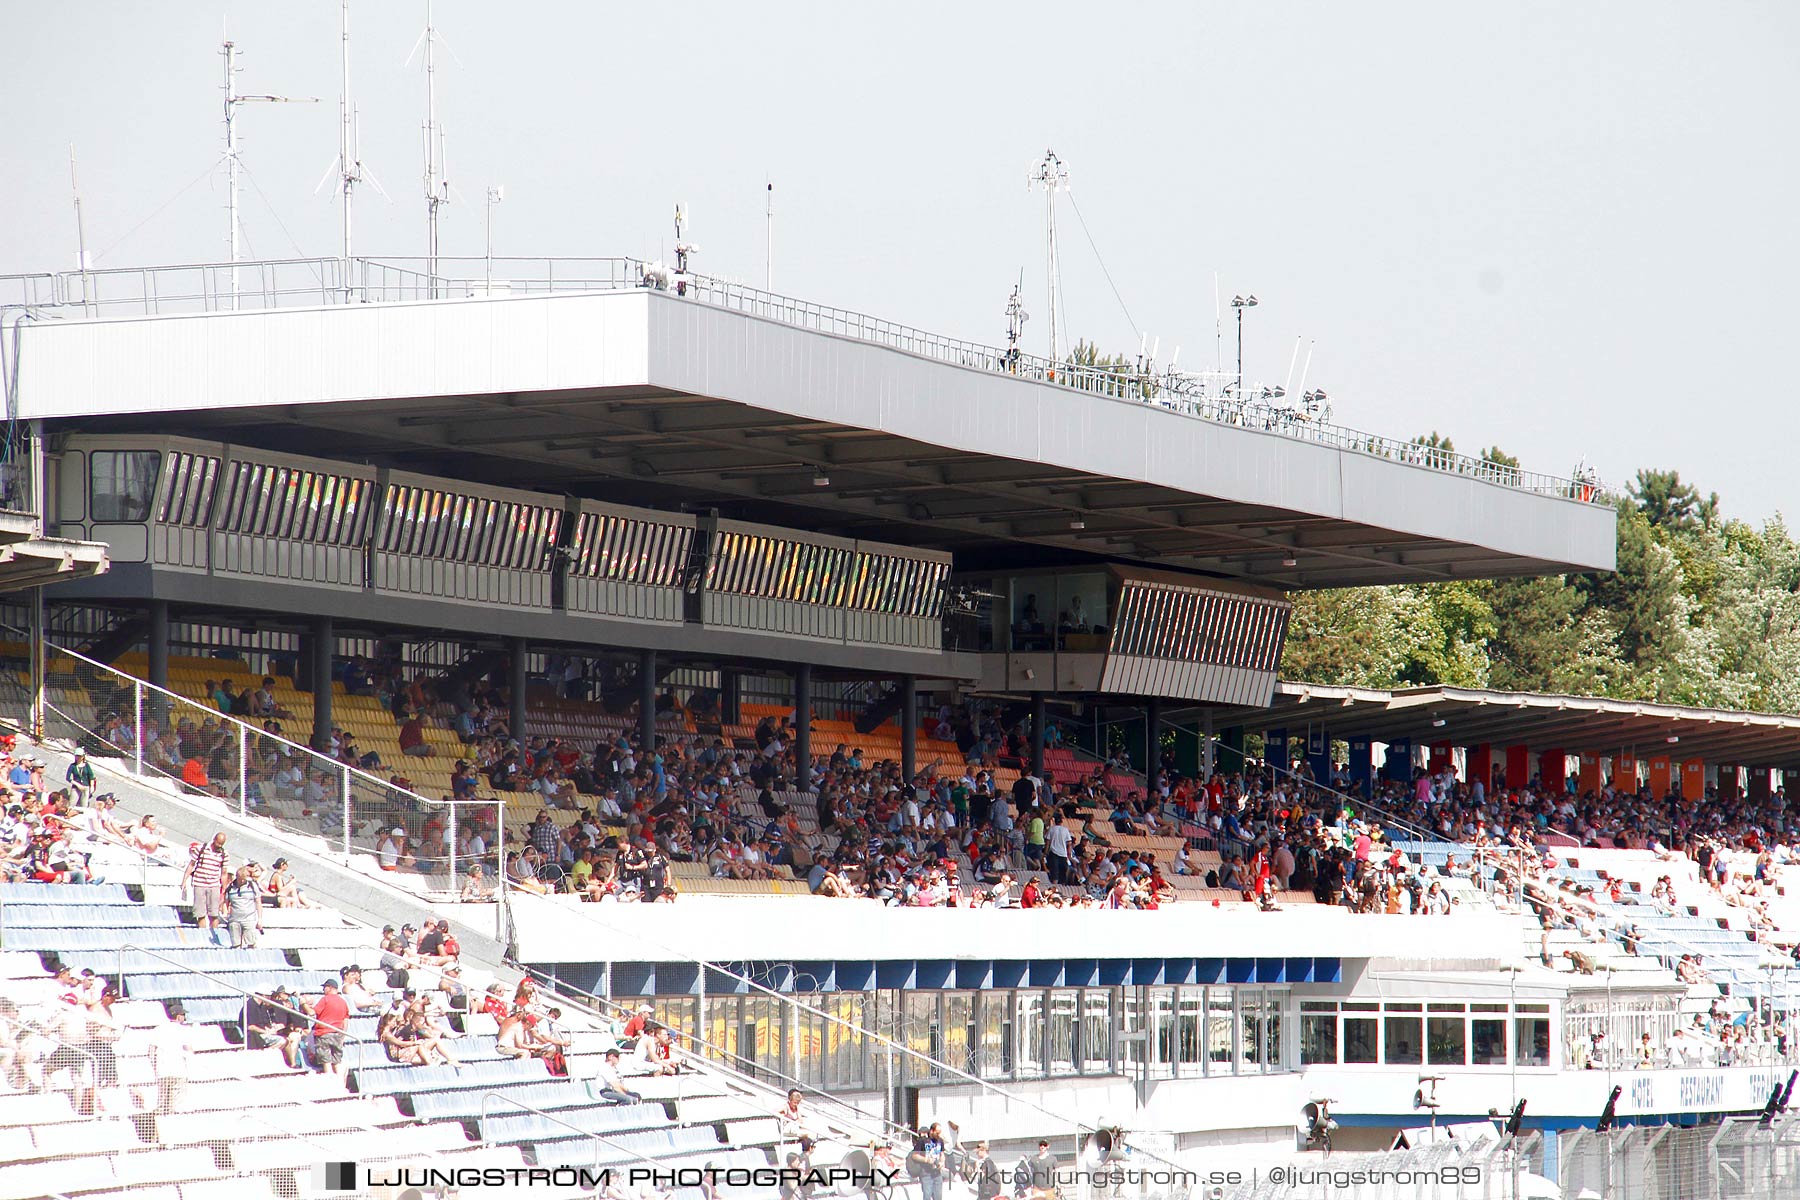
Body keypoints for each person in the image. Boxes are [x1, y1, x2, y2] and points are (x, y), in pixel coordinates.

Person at [182, 832, 230, 945]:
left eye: (221, 844)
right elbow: (191, 864)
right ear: (214, 840)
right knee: (200, 912)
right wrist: (184, 880)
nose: (219, 846)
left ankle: (213, 935)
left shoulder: (224, 854)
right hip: (199, 883)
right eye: (217, 843)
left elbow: (224, 873)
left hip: (214, 885)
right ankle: (203, 935)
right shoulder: (201, 849)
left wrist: (224, 889)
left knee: (214, 913)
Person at [148, 1003, 194, 1115]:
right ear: (178, 1016)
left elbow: (151, 1051)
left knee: (162, 1103)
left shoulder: (158, 1029)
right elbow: (189, 1050)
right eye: (183, 1015)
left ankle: (159, 1126)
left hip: (162, 1070)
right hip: (179, 1071)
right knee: (177, 1104)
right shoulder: (183, 1030)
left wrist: (155, 1067)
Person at [245, 986, 305, 1069]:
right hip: (256, 1035)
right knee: (284, 1040)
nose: (289, 998)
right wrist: (267, 1030)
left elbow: (295, 1021)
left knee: (295, 1037)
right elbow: (251, 1026)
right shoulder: (253, 1006)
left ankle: (292, 1064)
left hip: (274, 1031)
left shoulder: (264, 1006)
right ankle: (264, 1058)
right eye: (287, 995)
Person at [305, 978, 350, 1076]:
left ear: (329, 988)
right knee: (337, 1062)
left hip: (324, 1034)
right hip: (338, 1034)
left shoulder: (325, 999)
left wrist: (303, 1004)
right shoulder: (343, 1002)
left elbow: (311, 1012)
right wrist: (342, 1036)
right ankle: (340, 1083)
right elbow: (345, 1021)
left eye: (324, 987)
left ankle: (332, 1085)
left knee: (327, 1062)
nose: (323, 990)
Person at [223, 866, 264, 948]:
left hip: (249, 919)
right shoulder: (230, 888)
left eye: (244, 879)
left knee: (251, 942)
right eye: (240, 879)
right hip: (234, 919)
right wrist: (225, 913)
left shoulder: (252, 886)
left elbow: (258, 902)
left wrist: (259, 919)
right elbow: (225, 902)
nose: (242, 881)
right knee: (236, 944)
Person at [908, 1124, 947, 1200]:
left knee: (938, 1196)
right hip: (926, 1173)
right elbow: (914, 1156)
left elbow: (942, 1154)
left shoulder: (940, 1141)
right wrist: (926, 1160)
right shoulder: (923, 1141)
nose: (939, 1135)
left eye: (940, 1132)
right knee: (927, 1195)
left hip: (937, 1172)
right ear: (932, 1131)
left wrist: (942, 1163)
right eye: (937, 1132)